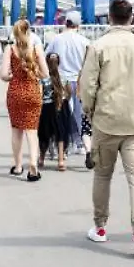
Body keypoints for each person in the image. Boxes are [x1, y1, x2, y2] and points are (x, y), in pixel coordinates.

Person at [79, 0, 134, 256]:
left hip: (106, 119)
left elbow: (88, 85)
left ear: (109, 18)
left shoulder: (98, 46)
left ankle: (100, 227)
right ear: (131, 18)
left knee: (103, 175)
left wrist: (89, 110)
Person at [0, 19, 50, 182]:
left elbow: (3, 75)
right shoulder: (36, 48)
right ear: (29, 31)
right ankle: (33, 165)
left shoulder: (10, 49)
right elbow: (46, 73)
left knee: (16, 130)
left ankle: (18, 165)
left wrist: (12, 76)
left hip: (15, 92)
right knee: (32, 131)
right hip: (33, 92)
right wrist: (34, 74)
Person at [46, 11, 93, 168]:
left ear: (65, 23)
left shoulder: (56, 40)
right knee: (81, 115)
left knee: (62, 115)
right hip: (80, 81)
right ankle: (82, 145)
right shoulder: (84, 41)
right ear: (78, 25)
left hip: (60, 81)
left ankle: (63, 147)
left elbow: (47, 58)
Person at [38, 53, 72, 172]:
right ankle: (61, 161)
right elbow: (69, 92)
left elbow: (39, 94)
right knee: (61, 133)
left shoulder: (43, 77)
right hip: (61, 106)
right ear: (59, 62)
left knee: (44, 134)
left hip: (46, 107)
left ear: (46, 62)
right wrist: (64, 101)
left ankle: (41, 158)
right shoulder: (64, 76)